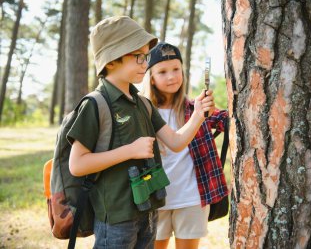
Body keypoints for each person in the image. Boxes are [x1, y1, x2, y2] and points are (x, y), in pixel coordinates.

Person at [67, 16, 215, 249]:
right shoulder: (95, 105)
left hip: (148, 213)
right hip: (115, 219)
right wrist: (129, 151)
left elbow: (176, 142)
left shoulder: (143, 104)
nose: (145, 64)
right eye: (139, 57)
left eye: (146, 57)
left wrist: (197, 114)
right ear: (112, 60)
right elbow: (77, 164)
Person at [144, 42, 228, 249]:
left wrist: (212, 108)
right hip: (155, 199)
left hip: (191, 197)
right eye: (162, 72)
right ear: (151, 78)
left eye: (176, 69)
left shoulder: (194, 108)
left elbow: (227, 122)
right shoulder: (143, 113)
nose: (171, 76)